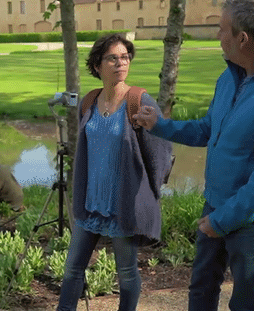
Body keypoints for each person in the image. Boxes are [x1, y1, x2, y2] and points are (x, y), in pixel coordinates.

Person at [133, 0, 254, 311]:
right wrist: (160, 126)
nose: (217, 36)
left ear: (242, 38)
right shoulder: (230, 76)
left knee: (246, 303)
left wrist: (220, 222)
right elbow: (207, 129)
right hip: (215, 203)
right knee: (201, 289)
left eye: (220, 28)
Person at [57, 33, 173, 311]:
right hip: (90, 205)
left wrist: (150, 192)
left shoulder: (138, 100)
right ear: (97, 65)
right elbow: (85, 149)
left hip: (122, 206)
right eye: (113, 58)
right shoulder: (89, 102)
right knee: (72, 270)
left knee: (127, 273)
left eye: (125, 57)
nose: (121, 63)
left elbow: (162, 151)